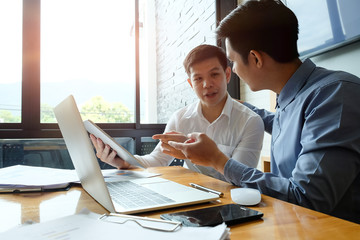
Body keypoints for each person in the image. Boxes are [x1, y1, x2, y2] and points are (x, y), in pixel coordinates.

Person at [154, 0, 360, 223]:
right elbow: (284, 123)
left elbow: (306, 198)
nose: (232, 69)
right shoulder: (292, 98)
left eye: (232, 61)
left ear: (255, 58)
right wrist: (230, 105)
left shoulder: (334, 95)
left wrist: (217, 160)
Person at [91, 44, 264, 182]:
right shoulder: (180, 119)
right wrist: (122, 161)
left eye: (214, 75)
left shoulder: (251, 121)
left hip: (233, 206)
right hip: (194, 198)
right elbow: (156, 161)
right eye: (198, 78)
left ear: (227, 75)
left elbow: (242, 179)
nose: (207, 84)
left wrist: (200, 153)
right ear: (190, 83)